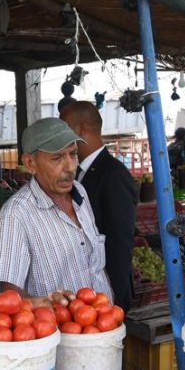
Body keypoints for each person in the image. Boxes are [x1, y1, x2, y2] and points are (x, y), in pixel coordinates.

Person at [0, 117, 112, 306]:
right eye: (57, 158)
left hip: (103, 325)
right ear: (30, 163)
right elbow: (7, 296)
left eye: (73, 154)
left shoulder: (80, 193)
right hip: (58, 331)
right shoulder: (16, 215)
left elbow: (96, 267)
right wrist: (44, 304)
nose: (71, 167)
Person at [59, 101, 138, 312]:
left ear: (82, 129)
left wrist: (113, 299)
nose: (59, 134)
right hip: (83, 289)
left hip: (104, 296)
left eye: (63, 127)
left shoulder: (113, 175)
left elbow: (119, 242)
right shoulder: (78, 172)